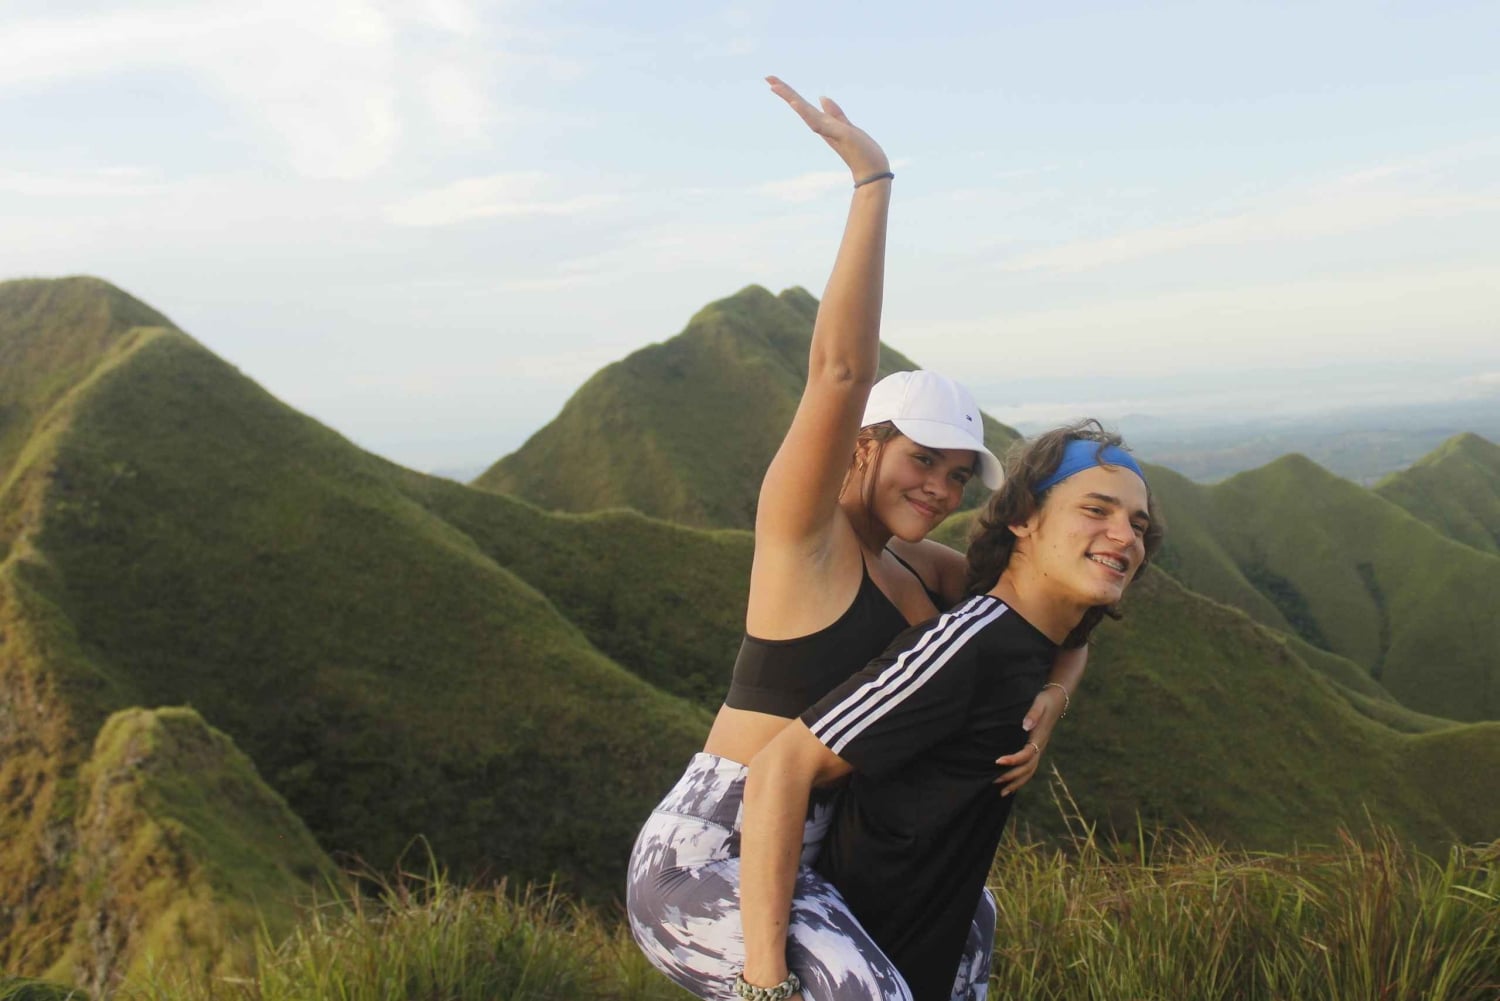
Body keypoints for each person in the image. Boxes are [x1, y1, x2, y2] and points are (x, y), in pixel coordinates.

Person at [625, 78, 1087, 1000]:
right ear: (866, 445)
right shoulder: (805, 536)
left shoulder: (926, 571)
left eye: (960, 475)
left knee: (968, 943)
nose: (942, 486)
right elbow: (840, 370)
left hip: (829, 852)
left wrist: (1058, 697)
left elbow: (1053, 601)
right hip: (713, 853)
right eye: (923, 458)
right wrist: (871, 181)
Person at [738, 426, 1165, 1001]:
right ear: (1024, 518)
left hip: (920, 965)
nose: (1124, 536)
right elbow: (781, 768)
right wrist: (766, 983)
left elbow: (1076, 640)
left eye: (1138, 524)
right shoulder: (967, 644)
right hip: (852, 966)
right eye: (1096, 510)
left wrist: (1055, 701)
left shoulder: (1030, 640)